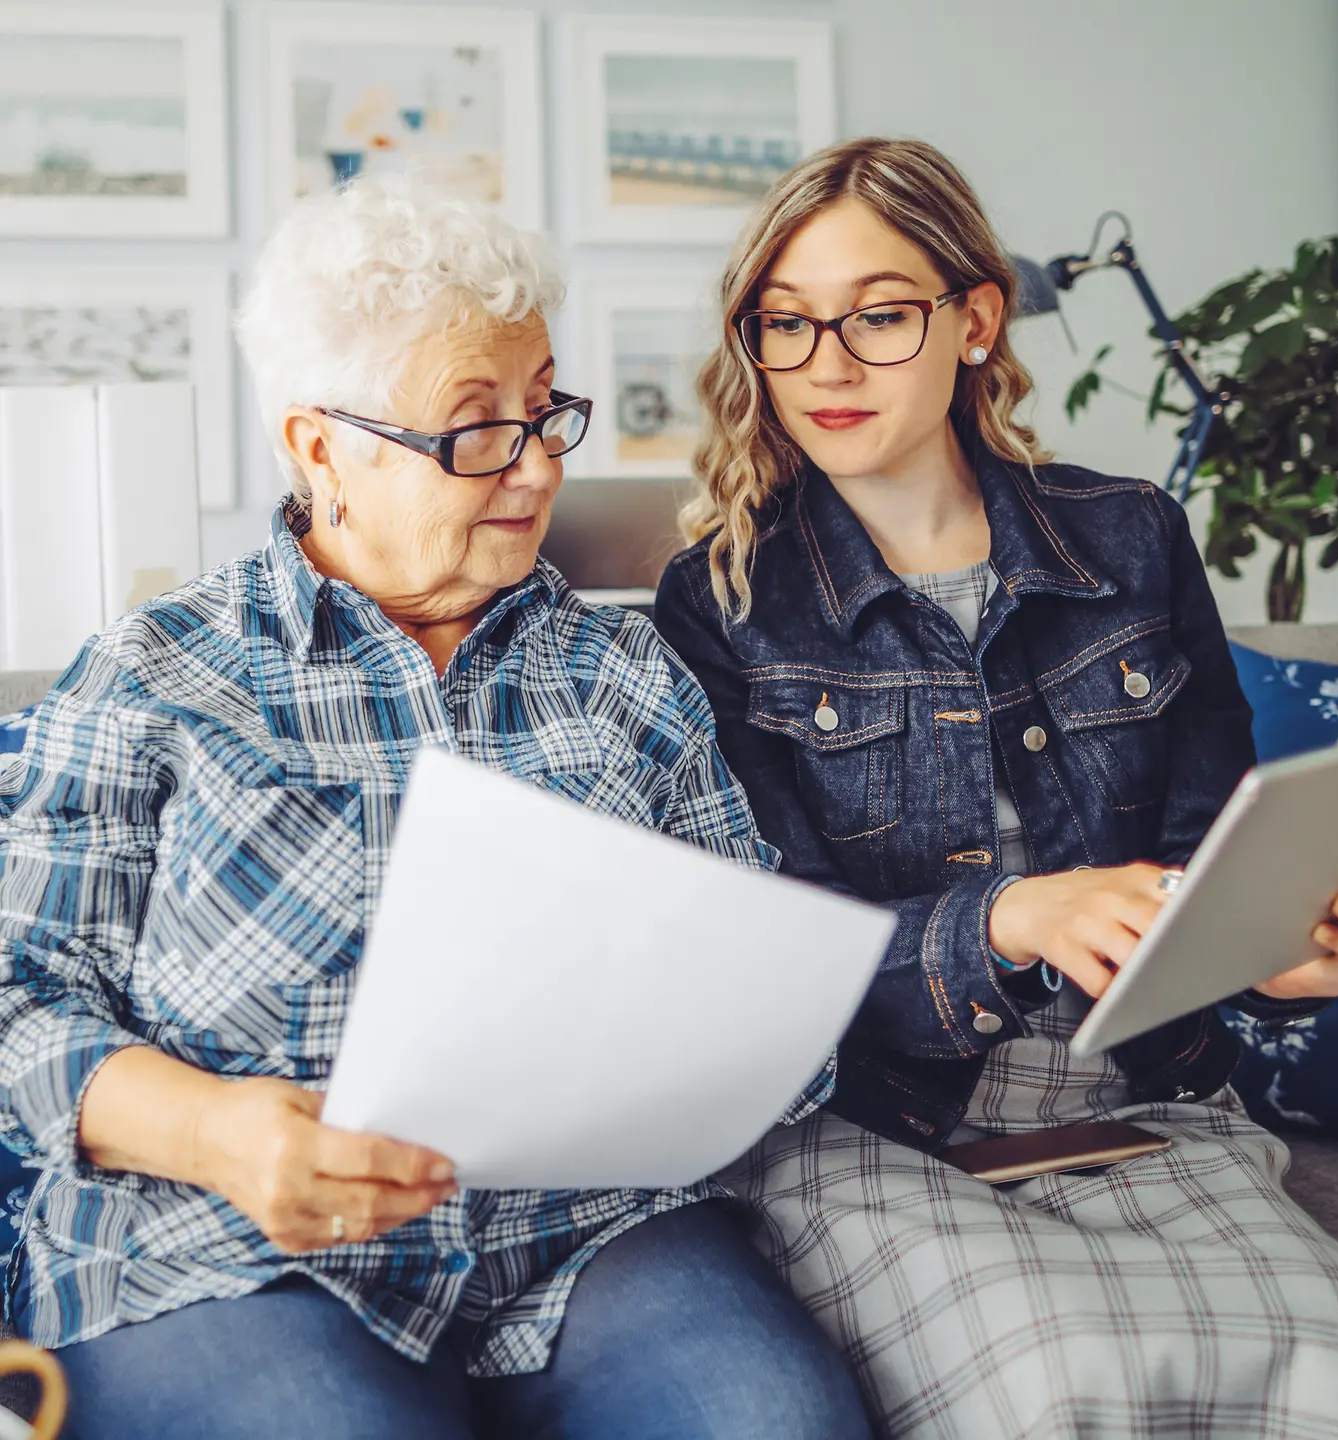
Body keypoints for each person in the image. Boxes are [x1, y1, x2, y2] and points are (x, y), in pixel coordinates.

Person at [0, 171, 872, 1440]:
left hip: (584, 1231)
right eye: (473, 428)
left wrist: (753, 1035)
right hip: (229, 1236)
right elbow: (17, 993)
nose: (529, 467)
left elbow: (755, 982)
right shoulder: (155, 677)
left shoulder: (626, 674)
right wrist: (217, 1132)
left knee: (772, 1421)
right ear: (319, 445)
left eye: (542, 412)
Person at [653, 136, 1338, 1438]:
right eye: (785, 325)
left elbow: (1205, 864)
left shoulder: (1130, 539)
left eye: (879, 316)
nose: (826, 365)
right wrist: (1012, 919)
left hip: (1143, 1108)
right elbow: (769, 959)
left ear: (975, 320)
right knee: (1054, 1379)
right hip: (877, 1133)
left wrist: (1296, 953)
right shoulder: (725, 602)